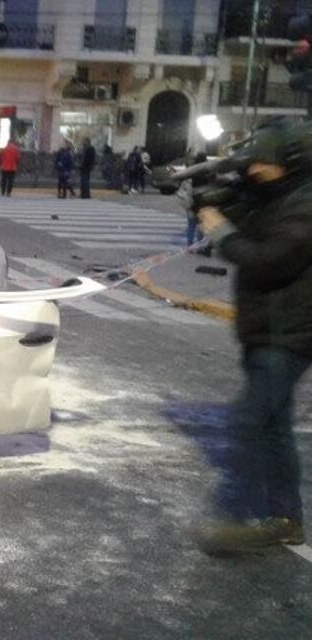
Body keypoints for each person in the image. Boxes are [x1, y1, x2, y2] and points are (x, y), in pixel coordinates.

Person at [196, 124, 312, 554]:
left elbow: (268, 261)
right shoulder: (275, 195)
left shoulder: (305, 205)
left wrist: (221, 231)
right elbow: (237, 219)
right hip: (266, 329)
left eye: (264, 161)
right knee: (274, 427)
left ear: (291, 162)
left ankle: (239, 519)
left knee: (248, 420)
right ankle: (285, 518)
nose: (257, 168)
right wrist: (210, 200)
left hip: (289, 334)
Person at [177, 152, 209, 248]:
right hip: (203, 201)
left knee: (191, 225)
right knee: (201, 226)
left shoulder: (191, 172)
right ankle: (199, 245)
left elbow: (182, 186)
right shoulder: (207, 172)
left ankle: (189, 245)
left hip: (191, 201)